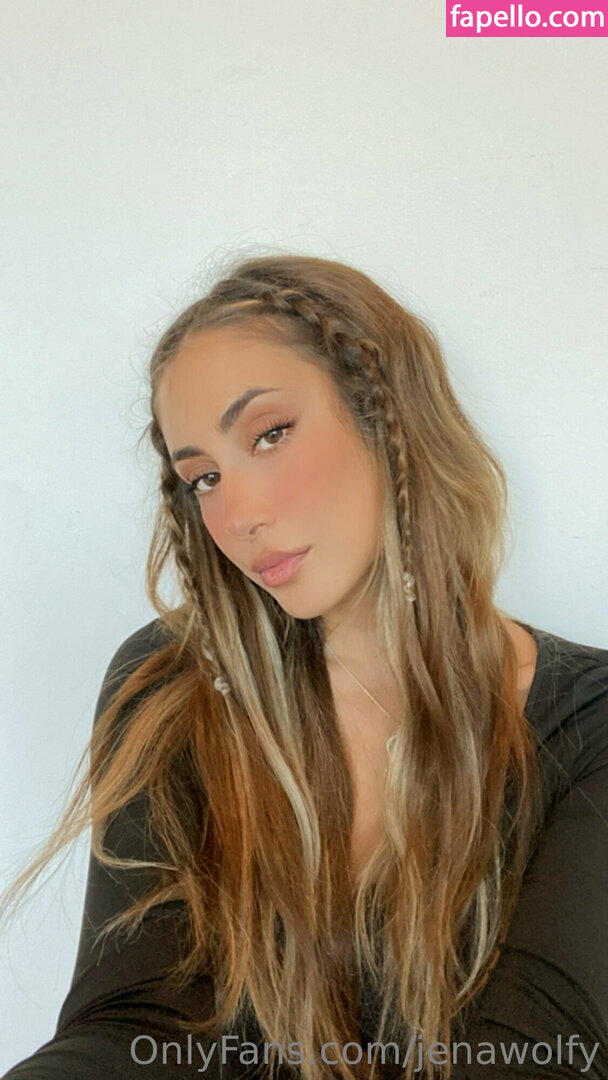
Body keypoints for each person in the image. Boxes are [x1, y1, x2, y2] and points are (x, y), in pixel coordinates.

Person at [1, 254, 607, 1080]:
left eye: (271, 434)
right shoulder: (171, 686)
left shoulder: (587, 724)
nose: (239, 514)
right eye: (203, 478)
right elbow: (136, 1024)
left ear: (389, 417)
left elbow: (542, 1050)